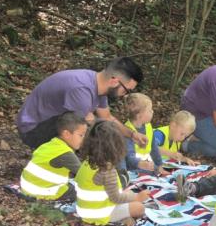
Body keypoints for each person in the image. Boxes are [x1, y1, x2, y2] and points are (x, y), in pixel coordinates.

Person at [16, 56, 147, 150]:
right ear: (114, 81)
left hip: (52, 121)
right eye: (126, 90)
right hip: (32, 130)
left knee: (97, 125)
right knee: (94, 136)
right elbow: (80, 127)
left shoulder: (99, 84)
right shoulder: (82, 89)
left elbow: (106, 117)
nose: (125, 95)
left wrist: (132, 135)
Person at [75, 120, 150, 226]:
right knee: (139, 207)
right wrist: (137, 197)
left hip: (83, 210)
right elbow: (116, 198)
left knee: (129, 199)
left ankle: (124, 218)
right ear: (115, 147)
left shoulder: (87, 162)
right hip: (99, 213)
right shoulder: (107, 169)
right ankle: (120, 219)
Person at [20, 112, 88, 202]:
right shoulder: (64, 153)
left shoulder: (51, 144)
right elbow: (86, 175)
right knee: (87, 190)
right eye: (81, 135)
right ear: (67, 134)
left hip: (26, 186)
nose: (84, 139)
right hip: (40, 192)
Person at [122, 93, 167, 176]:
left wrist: (160, 165)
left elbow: (154, 149)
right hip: (133, 170)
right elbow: (128, 157)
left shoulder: (148, 126)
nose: (152, 112)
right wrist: (140, 163)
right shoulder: (127, 131)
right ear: (139, 115)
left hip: (147, 166)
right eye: (150, 110)